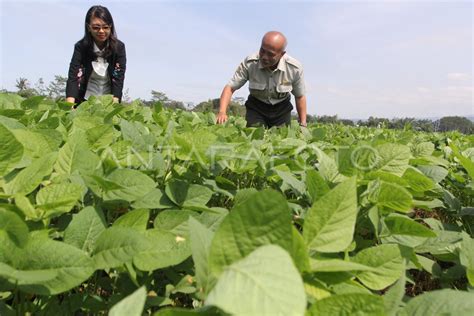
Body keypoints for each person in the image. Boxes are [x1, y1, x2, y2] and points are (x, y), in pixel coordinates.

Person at [216, 31, 307, 128]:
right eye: (262, 50)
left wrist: (303, 123)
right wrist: (222, 112)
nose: (264, 57)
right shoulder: (250, 63)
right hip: (256, 108)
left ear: (282, 54)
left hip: (281, 110)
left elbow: (300, 96)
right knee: (255, 137)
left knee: (280, 139)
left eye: (271, 54)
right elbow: (230, 87)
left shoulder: (294, 68)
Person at [66, 5, 126, 105]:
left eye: (105, 27)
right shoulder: (81, 47)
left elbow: (119, 78)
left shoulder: (118, 48)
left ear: (111, 26)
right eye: (96, 27)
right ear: (88, 27)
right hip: (84, 101)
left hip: (108, 101)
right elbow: (73, 77)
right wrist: (69, 106)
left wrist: (114, 106)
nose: (101, 31)